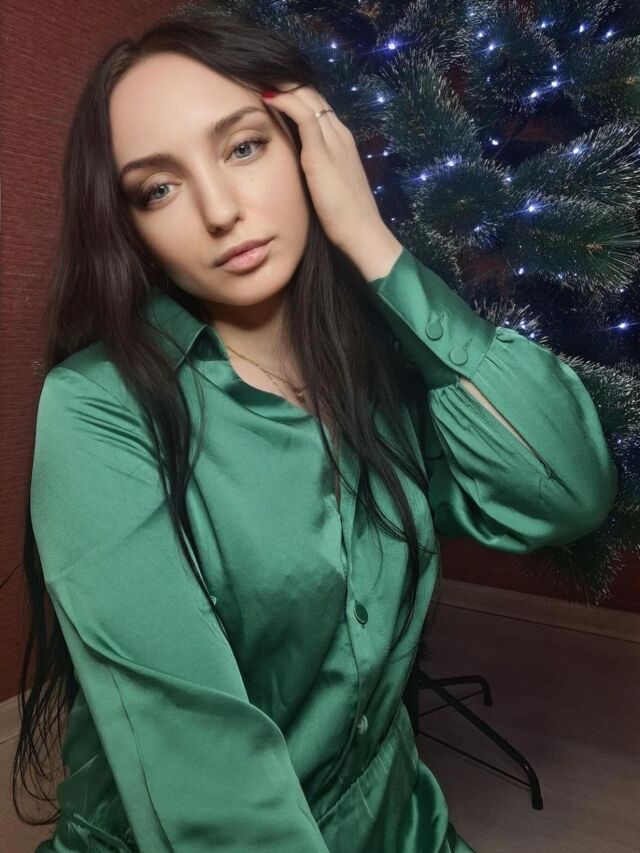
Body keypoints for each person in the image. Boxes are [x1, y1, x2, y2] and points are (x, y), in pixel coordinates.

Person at [16, 6, 618, 853]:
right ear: (135, 233)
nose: (219, 210)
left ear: (309, 146)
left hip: (397, 822)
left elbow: (568, 490)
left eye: (243, 147)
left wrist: (370, 240)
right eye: (159, 188)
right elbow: (202, 774)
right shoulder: (98, 407)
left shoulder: (380, 362)